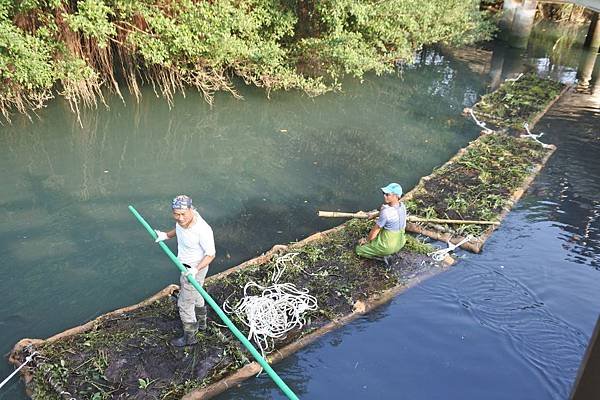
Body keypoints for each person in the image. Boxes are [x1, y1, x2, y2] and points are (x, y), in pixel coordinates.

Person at [155, 195, 216, 347]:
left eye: (183, 214)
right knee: (197, 294)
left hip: (193, 269)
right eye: (176, 214)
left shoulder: (202, 229)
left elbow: (211, 254)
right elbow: (179, 228)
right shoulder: (182, 222)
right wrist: (166, 236)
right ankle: (202, 324)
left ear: (191, 210)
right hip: (188, 266)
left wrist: (195, 269)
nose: (180, 218)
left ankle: (190, 338)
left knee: (184, 304)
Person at [355, 183, 407, 261]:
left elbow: (375, 231)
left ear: (396, 196)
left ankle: (380, 257)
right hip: (400, 242)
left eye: (387, 194)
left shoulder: (386, 212)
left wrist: (365, 240)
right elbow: (389, 214)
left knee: (358, 249)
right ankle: (385, 252)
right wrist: (374, 215)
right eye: (384, 193)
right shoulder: (402, 206)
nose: (384, 196)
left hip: (388, 247)